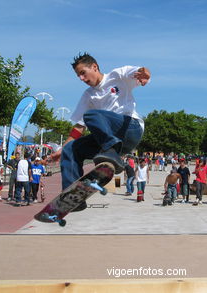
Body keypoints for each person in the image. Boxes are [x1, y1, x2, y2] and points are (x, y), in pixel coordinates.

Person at [48, 52, 150, 211]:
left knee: (92, 115)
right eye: (78, 76)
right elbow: (78, 128)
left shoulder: (117, 75)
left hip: (130, 128)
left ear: (94, 67)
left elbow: (140, 71)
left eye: (83, 73)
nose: (81, 79)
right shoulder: (88, 96)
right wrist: (62, 149)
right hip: (109, 139)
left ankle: (110, 150)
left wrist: (145, 74)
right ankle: (73, 196)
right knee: (71, 149)